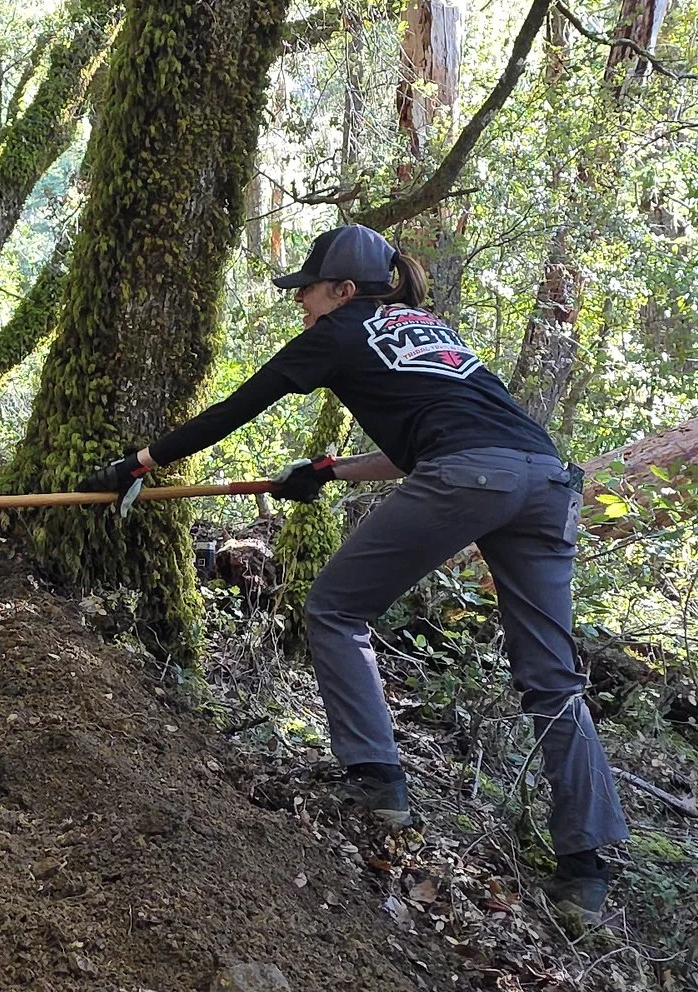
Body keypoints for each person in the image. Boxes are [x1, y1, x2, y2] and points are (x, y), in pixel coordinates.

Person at [105, 223, 629, 916]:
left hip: (475, 473)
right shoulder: (432, 331)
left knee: (334, 606)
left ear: (344, 290)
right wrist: (329, 469)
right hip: (548, 480)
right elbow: (447, 434)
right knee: (553, 677)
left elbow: (240, 406)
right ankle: (584, 873)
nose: (303, 306)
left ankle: (377, 779)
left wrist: (141, 461)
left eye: (309, 292)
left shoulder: (342, 331)